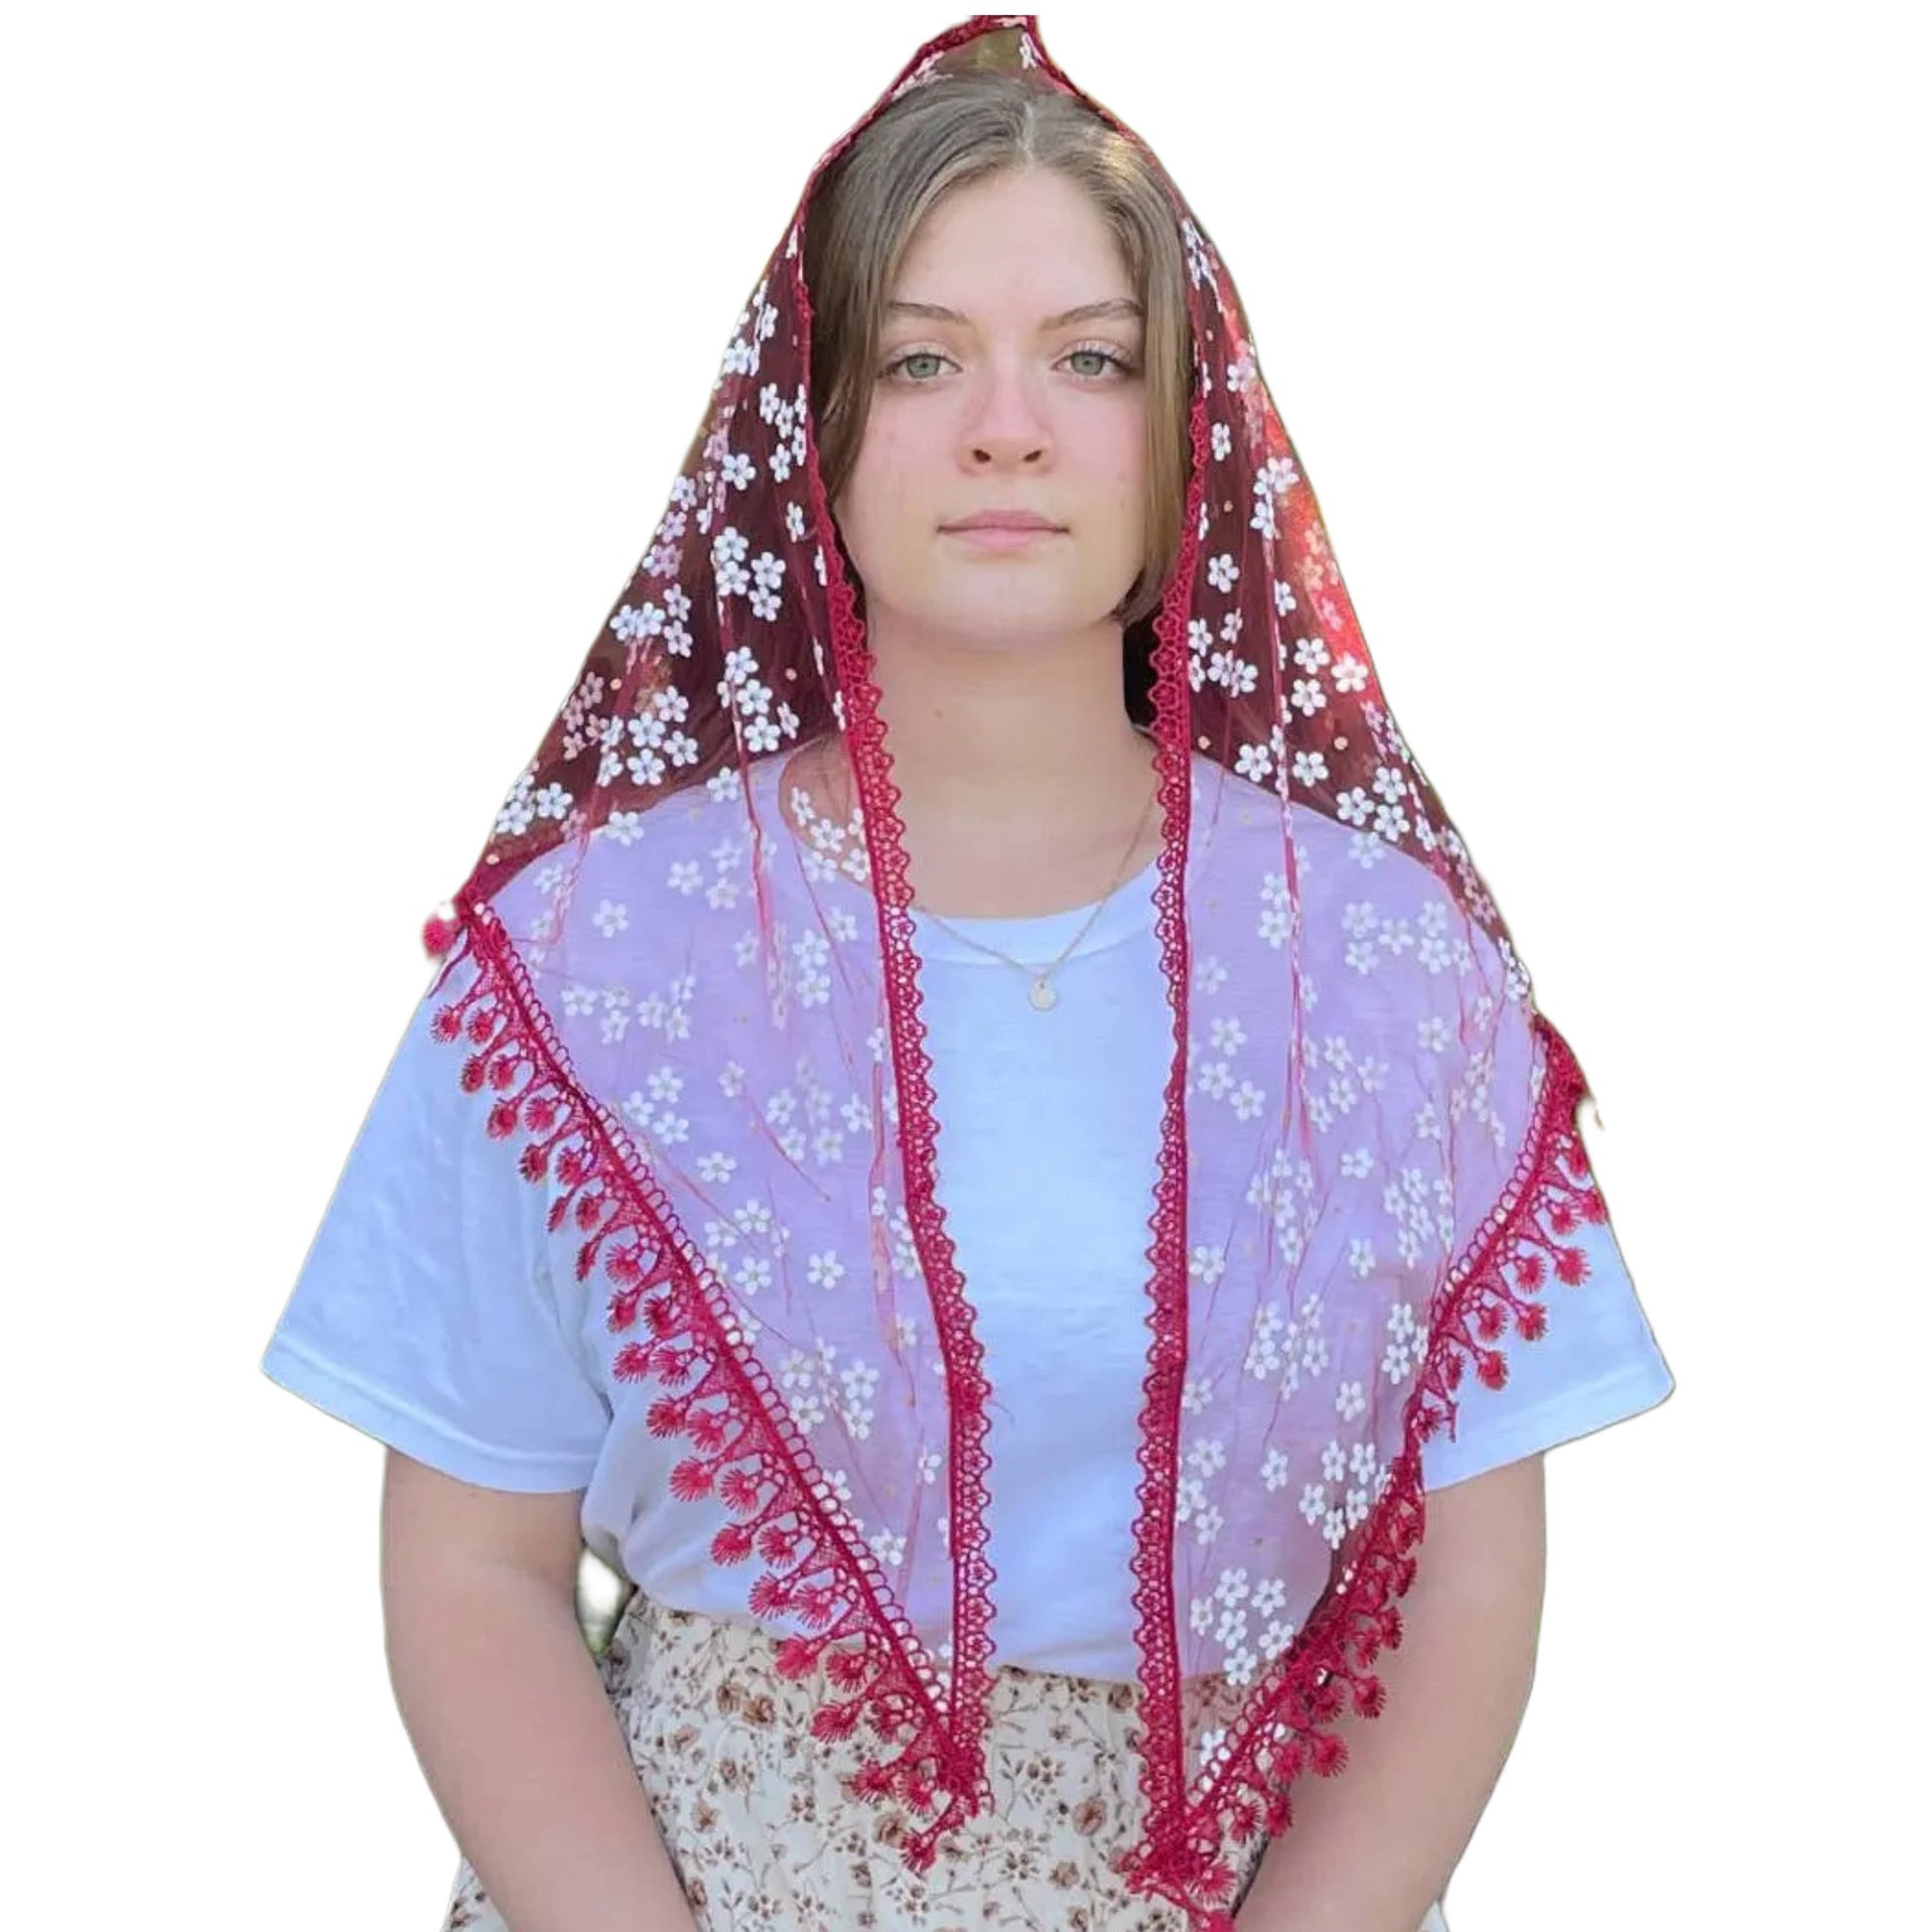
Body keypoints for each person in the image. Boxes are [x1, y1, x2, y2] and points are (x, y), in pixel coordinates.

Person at [259, 17, 1676, 1932]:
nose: (1006, 426)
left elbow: (1469, 1569)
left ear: (1188, 433)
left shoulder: (1383, 960)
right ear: (812, 427)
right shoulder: (596, 957)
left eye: (1089, 360)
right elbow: (471, 1564)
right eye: (922, 360)